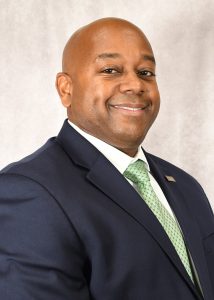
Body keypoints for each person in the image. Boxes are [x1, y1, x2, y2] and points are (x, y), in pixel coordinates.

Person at [0, 17, 213, 300]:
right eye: (110, 70)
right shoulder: (30, 192)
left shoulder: (186, 187)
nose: (135, 85)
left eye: (146, 72)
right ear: (66, 89)